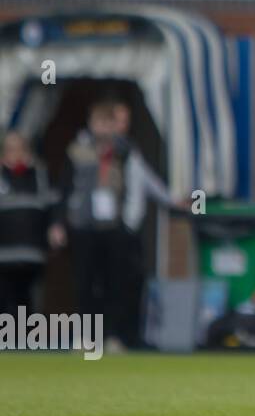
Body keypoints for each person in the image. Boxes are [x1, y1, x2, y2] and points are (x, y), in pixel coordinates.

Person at [49, 100, 178, 351]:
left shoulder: (126, 151)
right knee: (85, 284)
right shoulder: (77, 151)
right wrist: (58, 222)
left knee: (115, 284)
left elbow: (144, 185)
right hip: (84, 226)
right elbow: (64, 189)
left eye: (109, 123)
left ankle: (114, 336)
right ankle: (87, 336)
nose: (104, 128)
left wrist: (134, 221)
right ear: (91, 123)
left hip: (115, 227)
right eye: (100, 122)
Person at [0, 130, 53, 316]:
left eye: (19, 149)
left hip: (31, 253)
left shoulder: (38, 174)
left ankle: (23, 340)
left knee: (26, 303)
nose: (15, 154)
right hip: (4, 255)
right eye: (10, 149)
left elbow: (49, 207)